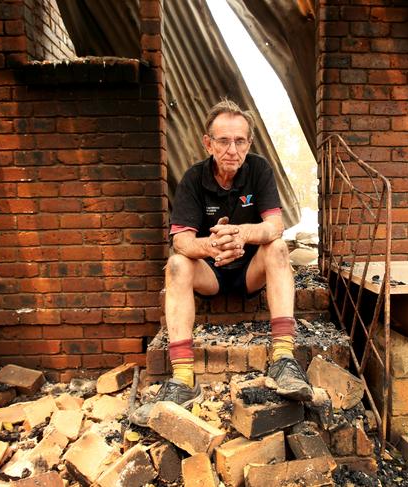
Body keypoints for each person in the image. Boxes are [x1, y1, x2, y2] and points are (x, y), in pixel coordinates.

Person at [130, 99, 312, 426]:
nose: (232, 149)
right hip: (210, 273)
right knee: (176, 264)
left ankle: (284, 358)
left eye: (239, 141)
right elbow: (181, 240)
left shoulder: (259, 170)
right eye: (223, 141)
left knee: (278, 248)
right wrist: (214, 246)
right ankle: (183, 379)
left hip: (249, 273)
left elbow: (275, 225)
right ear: (208, 143)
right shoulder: (193, 178)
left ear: (249, 143)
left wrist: (242, 234)